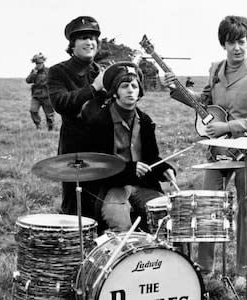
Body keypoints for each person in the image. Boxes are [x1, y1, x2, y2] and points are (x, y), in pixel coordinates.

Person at [164, 15, 247, 289]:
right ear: (224, 44)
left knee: (246, 212)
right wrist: (176, 91)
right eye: (231, 42)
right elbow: (203, 105)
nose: (237, 48)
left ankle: (243, 271)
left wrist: (228, 126)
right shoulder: (215, 69)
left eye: (241, 42)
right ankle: (204, 268)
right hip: (216, 152)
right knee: (208, 208)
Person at [80, 61, 176, 233]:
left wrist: (165, 169)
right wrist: (129, 170)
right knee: (121, 227)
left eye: (134, 86)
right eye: (124, 86)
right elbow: (97, 166)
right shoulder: (99, 122)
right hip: (112, 187)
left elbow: (152, 157)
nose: (130, 90)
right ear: (115, 92)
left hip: (143, 186)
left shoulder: (145, 121)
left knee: (165, 221)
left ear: (140, 91)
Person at [47, 16, 107, 227]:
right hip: (75, 151)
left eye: (92, 38)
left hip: (105, 150)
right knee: (76, 212)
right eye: (83, 38)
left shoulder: (101, 71)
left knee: (104, 207)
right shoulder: (58, 71)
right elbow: (62, 103)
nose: (89, 42)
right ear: (72, 45)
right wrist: (94, 88)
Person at [26, 53, 55, 130]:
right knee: (33, 111)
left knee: (49, 114)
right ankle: (38, 125)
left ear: (43, 62)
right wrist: (33, 74)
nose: (39, 64)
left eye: (40, 63)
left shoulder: (49, 71)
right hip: (36, 96)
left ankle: (50, 127)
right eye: (37, 63)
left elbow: (55, 81)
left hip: (47, 96)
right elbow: (28, 80)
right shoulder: (34, 72)